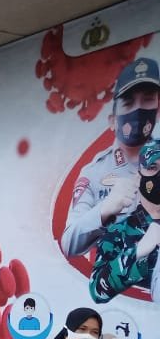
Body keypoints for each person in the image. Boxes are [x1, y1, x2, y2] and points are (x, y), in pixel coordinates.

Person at [60, 57, 159, 257]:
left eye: (147, 99)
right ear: (113, 121)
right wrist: (105, 209)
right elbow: (69, 243)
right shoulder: (95, 172)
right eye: (129, 102)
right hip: (116, 282)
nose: (138, 110)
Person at [90, 138, 160, 303]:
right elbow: (97, 291)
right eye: (152, 167)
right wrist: (139, 251)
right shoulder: (120, 232)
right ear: (138, 177)